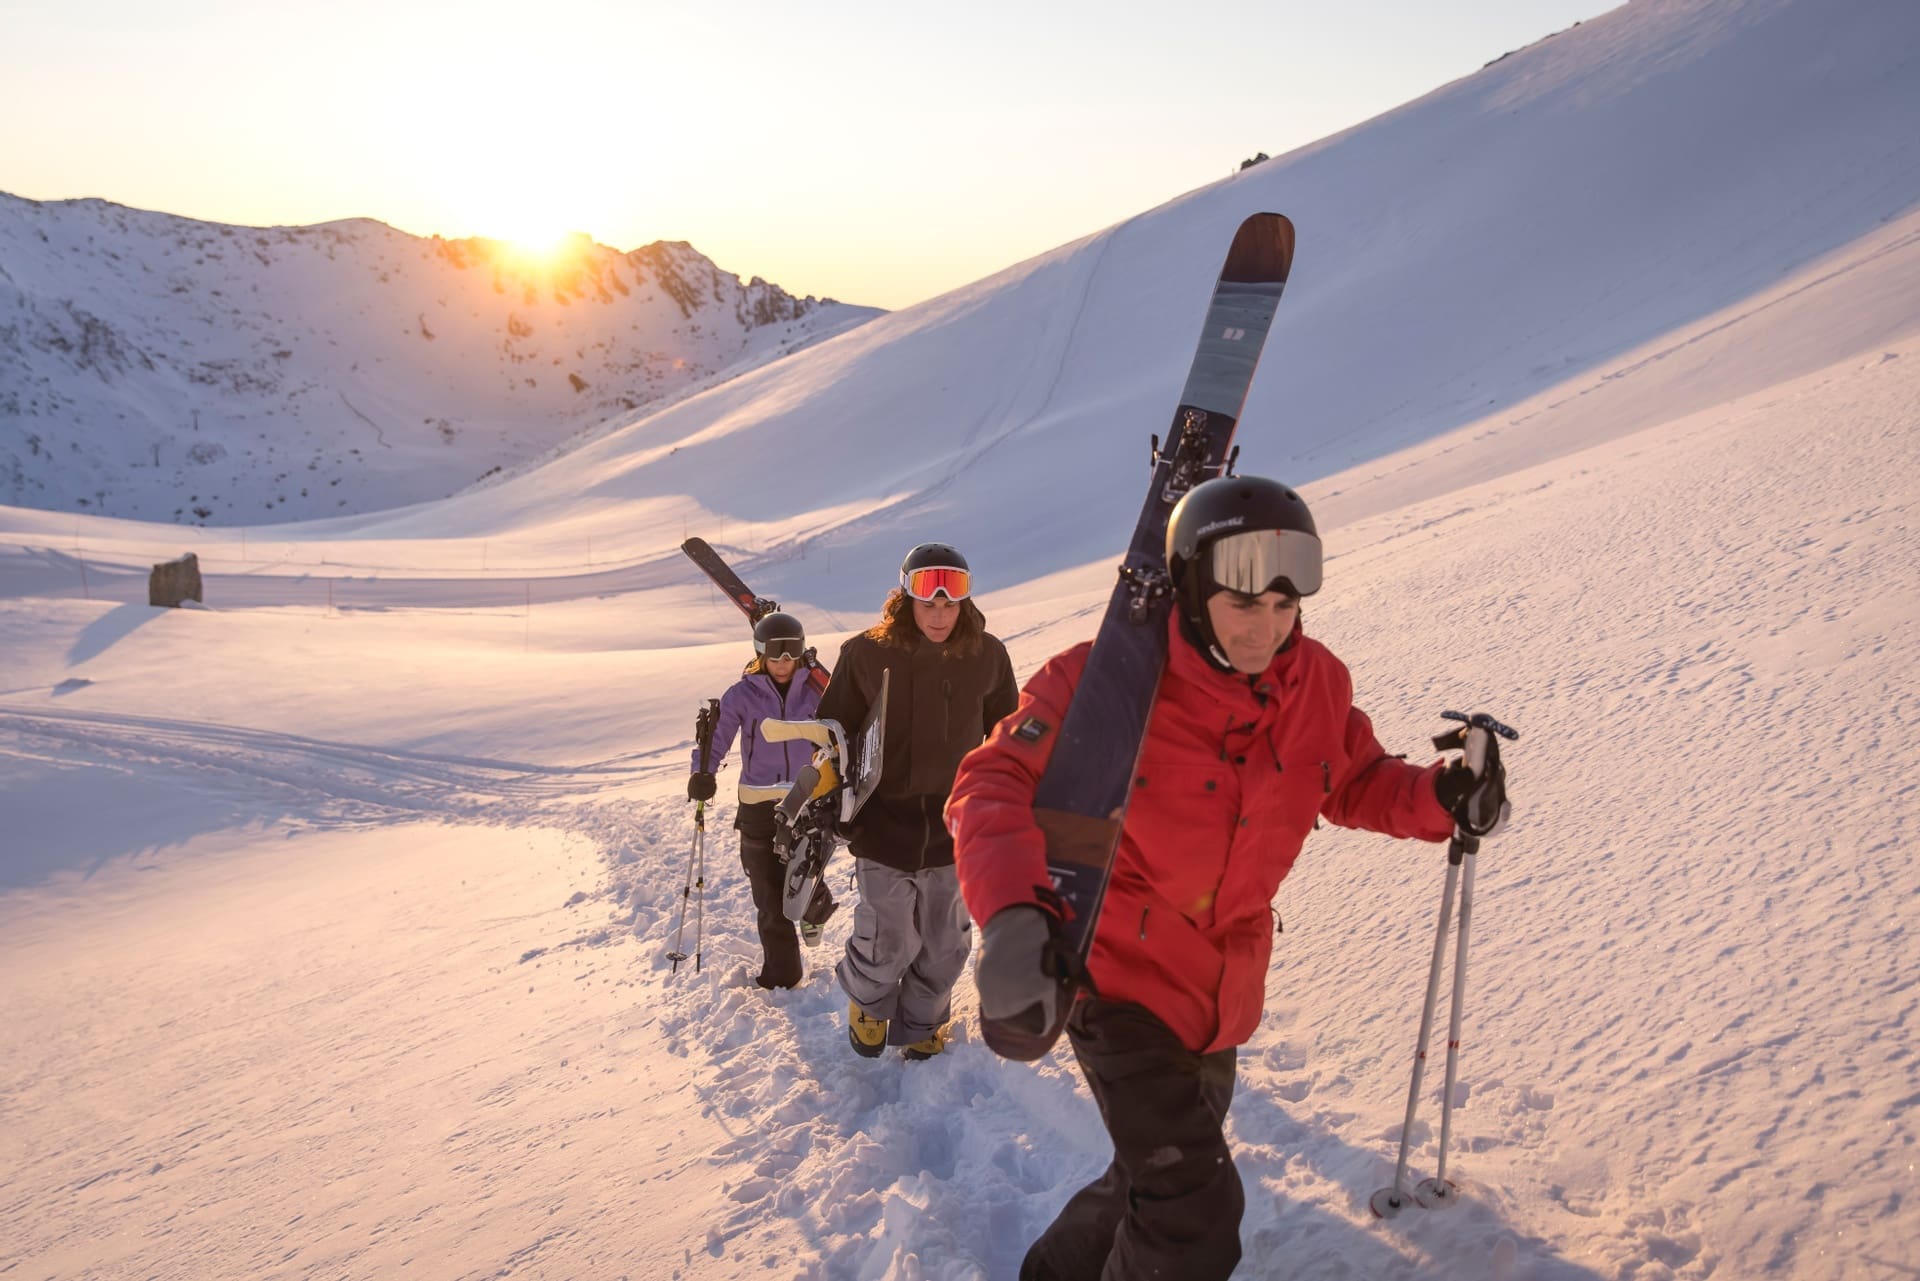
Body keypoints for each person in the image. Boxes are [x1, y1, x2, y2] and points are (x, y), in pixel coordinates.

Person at [947, 475, 1512, 1280]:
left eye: (1285, 607)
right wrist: (1009, 915)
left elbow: (1351, 778)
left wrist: (1441, 796)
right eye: (1245, 605)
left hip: (1220, 989)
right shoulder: (1106, 677)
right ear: (1190, 589)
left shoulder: (1315, 681)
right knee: (1194, 1211)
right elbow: (990, 780)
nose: (1268, 630)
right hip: (1115, 977)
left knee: (1152, 1175)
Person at [816, 542, 1019, 1060]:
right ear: (905, 597)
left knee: (943, 943)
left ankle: (926, 1021)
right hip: (884, 825)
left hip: (955, 828)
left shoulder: (988, 655)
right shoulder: (865, 653)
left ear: (965, 603)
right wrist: (830, 794)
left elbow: (1006, 734)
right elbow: (833, 730)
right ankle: (869, 1000)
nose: (940, 612)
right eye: (928, 599)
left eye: (951, 602)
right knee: (890, 939)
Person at [689, 611, 837, 991]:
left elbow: (840, 731)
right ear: (761, 654)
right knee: (768, 891)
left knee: (803, 873)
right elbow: (717, 737)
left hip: (806, 799)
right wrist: (703, 773)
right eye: (775, 655)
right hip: (757, 803)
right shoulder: (743, 694)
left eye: (790, 655)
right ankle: (783, 975)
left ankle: (814, 905)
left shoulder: (818, 690)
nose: (783, 663)